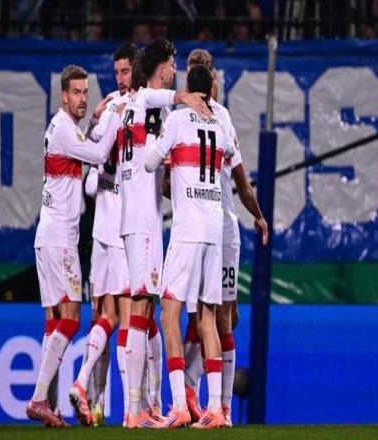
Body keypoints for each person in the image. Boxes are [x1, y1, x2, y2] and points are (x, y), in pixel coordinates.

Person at [117, 38, 210, 429]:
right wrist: (184, 97)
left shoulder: (132, 106)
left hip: (136, 216)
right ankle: (133, 409)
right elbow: (158, 97)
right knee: (141, 309)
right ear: (162, 68)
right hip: (143, 220)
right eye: (172, 64)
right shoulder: (147, 100)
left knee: (145, 309)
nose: (175, 70)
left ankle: (144, 404)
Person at [26, 64, 125, 428]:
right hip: (60, 239)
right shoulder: (65, 129)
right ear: (63, 96)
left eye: (86, 92)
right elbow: (98, 155)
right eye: (77, 93)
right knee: (71, 318)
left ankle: (46, 403)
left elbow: (82, 146)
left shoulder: (63, 127)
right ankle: (39, 399)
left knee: (54, 322)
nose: (83, 99)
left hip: (48, 235)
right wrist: (115, 116)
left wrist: (95, 119)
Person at [145, 64, 236, 428]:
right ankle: (216, 409)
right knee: (208, 317)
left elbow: (150, 162)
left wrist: (161, 143)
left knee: (169, 314)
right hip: (215, 227)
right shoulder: (219, 124)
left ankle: (180, 406)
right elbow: (227, 155)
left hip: (187, 229)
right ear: (210, 90)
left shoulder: (178, 120)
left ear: (188, 87)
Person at [183, 49, 268, 427]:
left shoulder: (222, 118)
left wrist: (258, 215)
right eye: (195, 71)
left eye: (205, 71)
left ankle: (220, 406)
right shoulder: (179, 116)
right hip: (195, 229)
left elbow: (240, 179)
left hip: (223, 228)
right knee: (198, 313)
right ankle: (196, 395)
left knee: (224, 315)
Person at [69, 42, 138, 427]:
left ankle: (92, 401)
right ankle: (127, 409)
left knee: (104, 316)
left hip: (102, 229)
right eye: (117, 72)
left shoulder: (109, 107)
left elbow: (91, 182)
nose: (120, 78)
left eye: (125, 71)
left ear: (136, 70)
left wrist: (94, 123)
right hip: (121, 232)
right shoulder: (130, 107)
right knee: (123, 317)